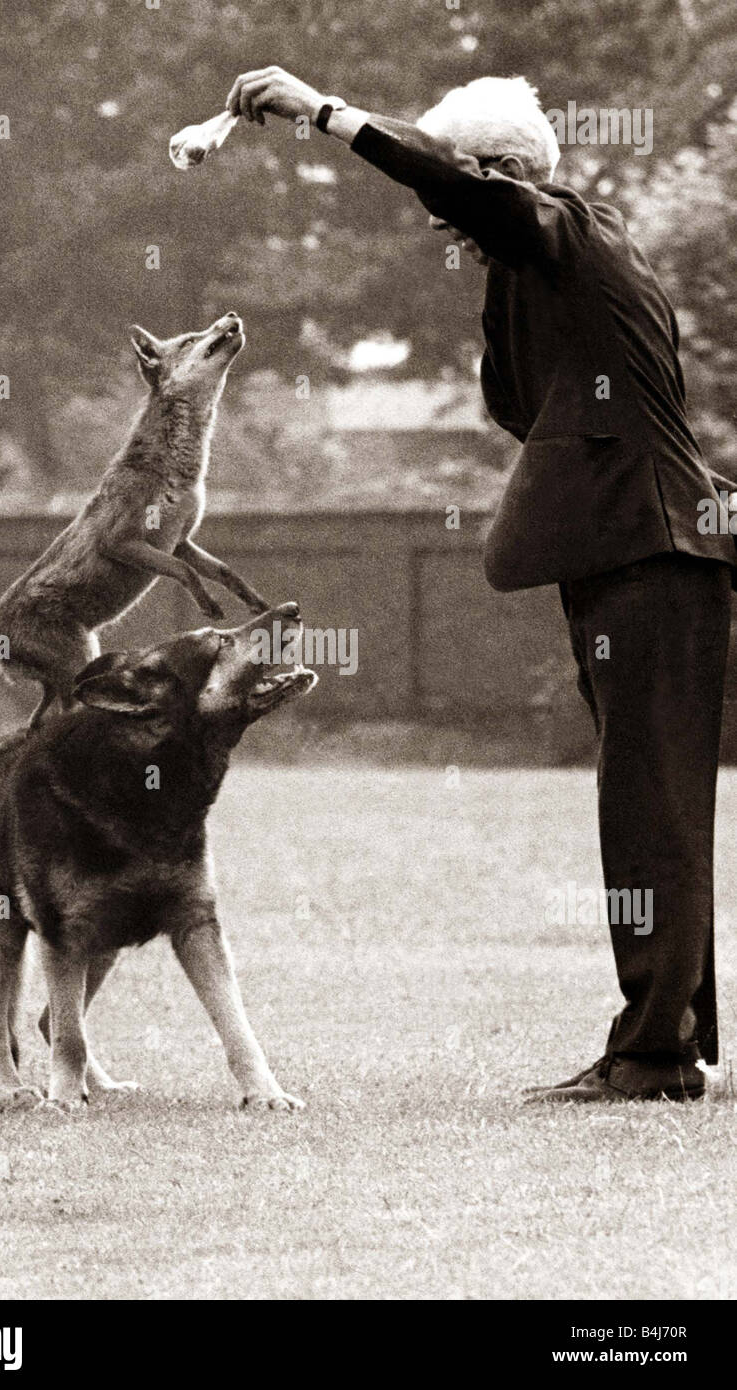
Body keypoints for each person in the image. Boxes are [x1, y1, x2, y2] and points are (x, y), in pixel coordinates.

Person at [225, 66, 736, 1103]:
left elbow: (459, 191)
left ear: (497, 174)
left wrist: (323, 113)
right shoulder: (543, 268)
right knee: (649, 807)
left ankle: (654, 1056)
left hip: (655, 553)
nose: (433, 222)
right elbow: (522, 407)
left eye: (449, 192)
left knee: (651, 811)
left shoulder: (567, 228)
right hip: (631, 553)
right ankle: (666, 1037)